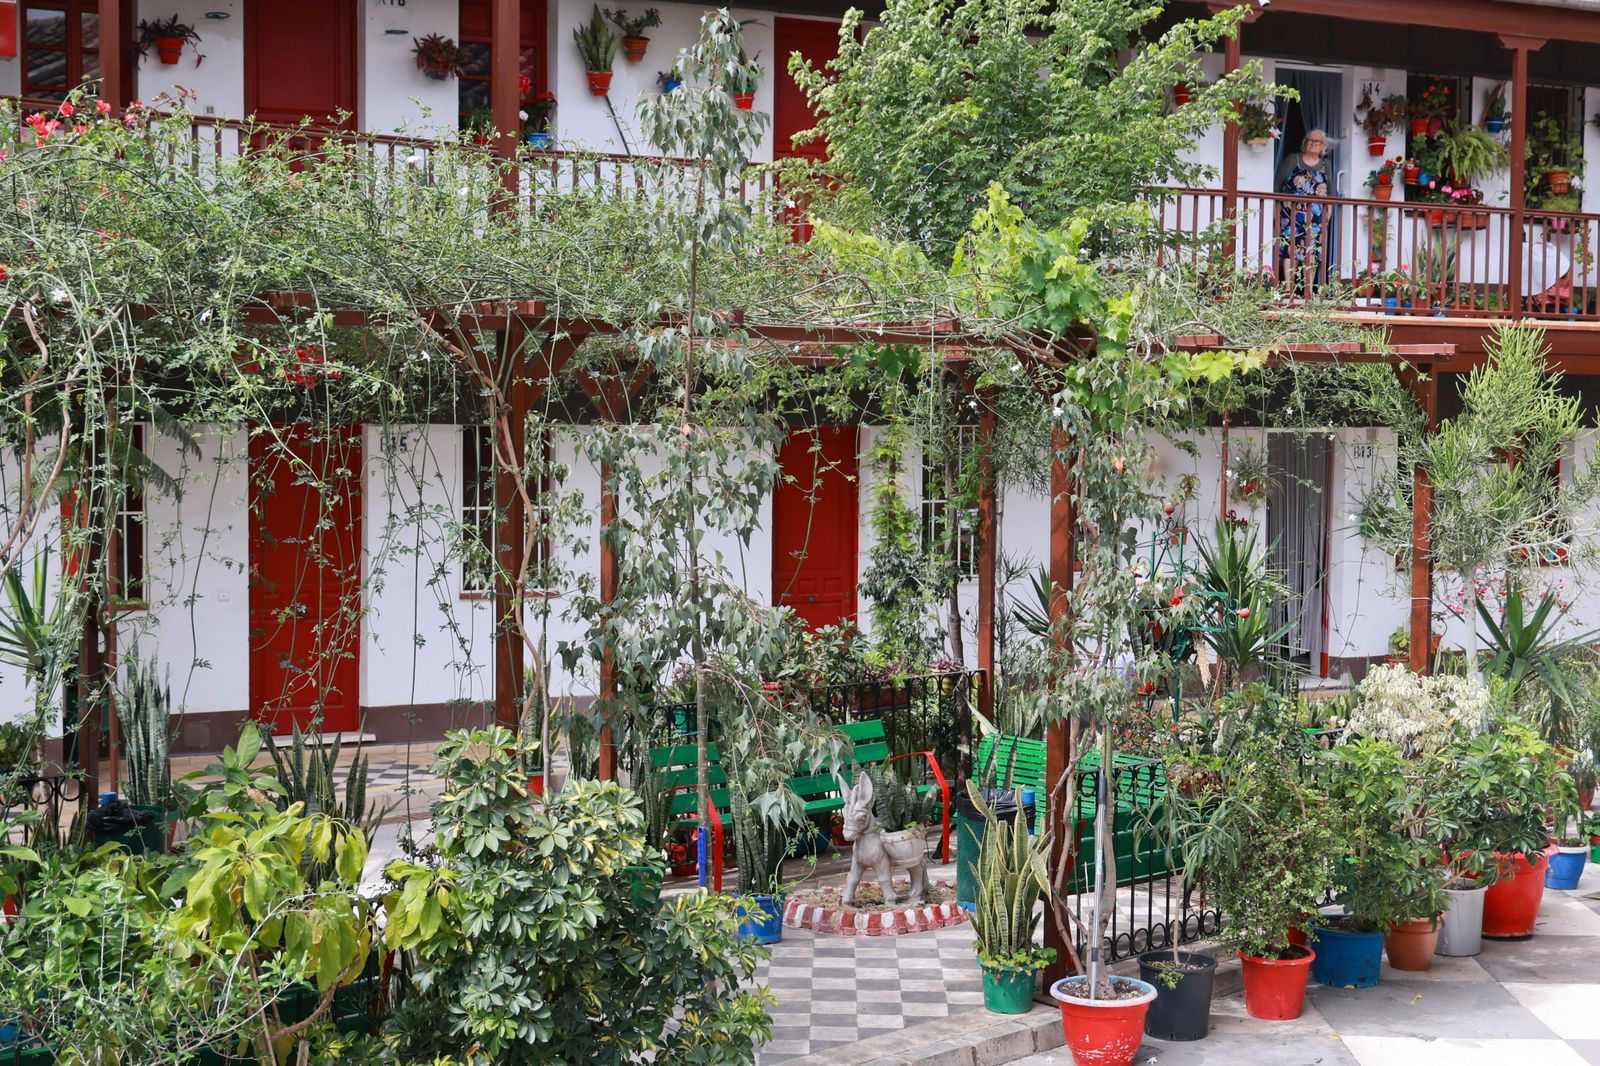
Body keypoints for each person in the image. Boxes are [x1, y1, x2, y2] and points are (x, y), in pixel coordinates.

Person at [1276, 129, 1333, 291]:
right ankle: (1289, 289)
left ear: (1323, 146)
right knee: (1290, 249)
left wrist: (1328, 213)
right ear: (1305, 143)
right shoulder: (1293, 160)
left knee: (1313, 251)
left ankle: (1308, 290)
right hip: (1291, 213)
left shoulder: (1326, 165)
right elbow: (1277, 184)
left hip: (1316, 216)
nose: (1314, 144)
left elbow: (1331, 192)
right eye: (1311, 140)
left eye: (1318, 142)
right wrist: (1275, 208)